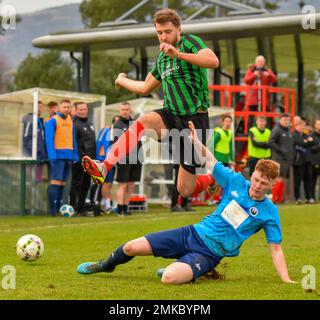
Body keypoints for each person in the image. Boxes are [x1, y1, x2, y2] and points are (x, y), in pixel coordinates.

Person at [77, 121, 296, 285]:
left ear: (271, 184)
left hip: (209, 254)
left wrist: (286, 280)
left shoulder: (269, 213)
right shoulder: (236, 181)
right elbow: (210, 160)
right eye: (257, 179)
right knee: (131, 247)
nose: (257, 185)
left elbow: (275, 249)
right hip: (191, 233)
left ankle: (186, 267)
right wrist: (196, 141)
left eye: (263, 183)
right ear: (253, 174)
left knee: (169, 279)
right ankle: (104, 265)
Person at [82, 8, 220, 201]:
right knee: (144, 120)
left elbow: (213, 61)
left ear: (178, 30)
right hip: (171, 115)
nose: (163, 37)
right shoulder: (162, 58)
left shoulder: (190, 42)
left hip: (194, 120)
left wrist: (178, 54)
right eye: (159, 33)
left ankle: (211, 178)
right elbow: (146, 87)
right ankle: (105, 166)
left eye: (168, 32)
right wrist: (122, 80)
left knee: (184, 190)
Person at [45, 99, 78, 216]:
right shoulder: (53, 121)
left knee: (63, 183)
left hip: (69, 155)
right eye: (64, 107)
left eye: (69, 107)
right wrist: (52, 156)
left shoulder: (71, 120)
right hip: (57, 156)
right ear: (59, 108)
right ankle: (52, 210)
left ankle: (59, 208)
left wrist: (75, 154)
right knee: (55, 182)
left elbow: (73, 139)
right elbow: (49, 139)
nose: (67, 109)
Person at [112, 102, 143, 216]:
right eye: (123, 109)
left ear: (130, 111)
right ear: (120, 111)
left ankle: (126, 207)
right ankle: (119, 209)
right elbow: (115, 143)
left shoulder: (135, 123)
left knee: (131, 185)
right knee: (123, 184)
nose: (124, 111)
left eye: (126, 109)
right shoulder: (117, 125)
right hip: (124, 158)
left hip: (136, 157)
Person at [69, 102, 97, 215]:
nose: (83, 111)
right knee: (77, 184)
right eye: (80, 109)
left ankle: (81, 208)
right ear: (75, 110)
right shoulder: (74, 124)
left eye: (84, 109)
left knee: (86, 185)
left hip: (90, 161)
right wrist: (79, 158)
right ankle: (72, 207)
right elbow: (74, 143)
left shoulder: (90, 123)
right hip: (79, 160)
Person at [95, 115, 120, 213]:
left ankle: (107, 204)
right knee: (103, 183)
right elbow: (98, 144)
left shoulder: (119, 134)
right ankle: (103, 204)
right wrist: (100, 159)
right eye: (116, 122)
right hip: (103, 161)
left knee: (109, 184)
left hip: (113, 161)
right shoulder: (105, 131)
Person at [244, 55, 277, 128]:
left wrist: (268, 74)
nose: (260, 63)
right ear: (255, 62)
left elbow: (274, 79)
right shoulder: (251, 70)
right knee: (251, 115)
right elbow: (246, 80)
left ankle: (268, 130)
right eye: (259, 62)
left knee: (268, 115)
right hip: (253, 98)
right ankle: (250, 131)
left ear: (264, 63)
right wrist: (254, 75)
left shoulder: (267, 70)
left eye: (262, 62)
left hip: (264, 98)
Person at [269, 113, 294, 204]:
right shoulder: (277, 130)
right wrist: (281, 150)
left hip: (287, 159)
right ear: (280, 120)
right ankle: (275, 198)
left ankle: (280, 198)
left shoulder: (288, 131)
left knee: (283, 178)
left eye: (288, 120)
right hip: (279, 159)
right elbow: (271, 142)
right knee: (278, 178)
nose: (286, 122)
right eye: (284, 120)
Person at [22, 100, 47, 182]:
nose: (40, 108)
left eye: (41, 107)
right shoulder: (30, 119)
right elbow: (26, 138)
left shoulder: (41, 121)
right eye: (38, 106)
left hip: (40, 156)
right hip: (32, 156)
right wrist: (34, 150)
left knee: (38, 180)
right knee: (30, 180)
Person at [292, 119, 314, 204]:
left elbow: (311, 142)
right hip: (298, 162)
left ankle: (309, 197)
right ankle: (298, 198)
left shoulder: (305, 134)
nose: (302, 127)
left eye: (303, 126)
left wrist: (306, 142)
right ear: (296, 126)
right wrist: (305, 142)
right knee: (297, 181)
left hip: (307, 161)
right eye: (300, 126)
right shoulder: (294, 135)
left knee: (308, 180)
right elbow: (299, 142)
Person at [310, 119, 320, 202]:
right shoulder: (312, 135)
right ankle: (312, 197)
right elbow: (310, 148)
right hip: (315, 161)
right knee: (313, 180)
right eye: (318, 124)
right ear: (315, 125)